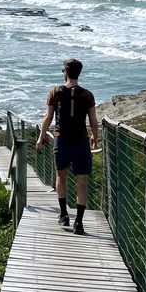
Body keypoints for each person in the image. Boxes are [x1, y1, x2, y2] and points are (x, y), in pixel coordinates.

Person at [35, 58, 99, 235]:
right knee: (82, 181)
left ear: (66, 73)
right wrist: (95, 137)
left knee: (61, 175)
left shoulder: (55, 92)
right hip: (81, 141)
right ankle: (79, 222)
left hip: (62, 140)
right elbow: (93, 121)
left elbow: (48, 117)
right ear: (79, 73)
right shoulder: (87, 95)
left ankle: (64, 215)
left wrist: (40, 138)